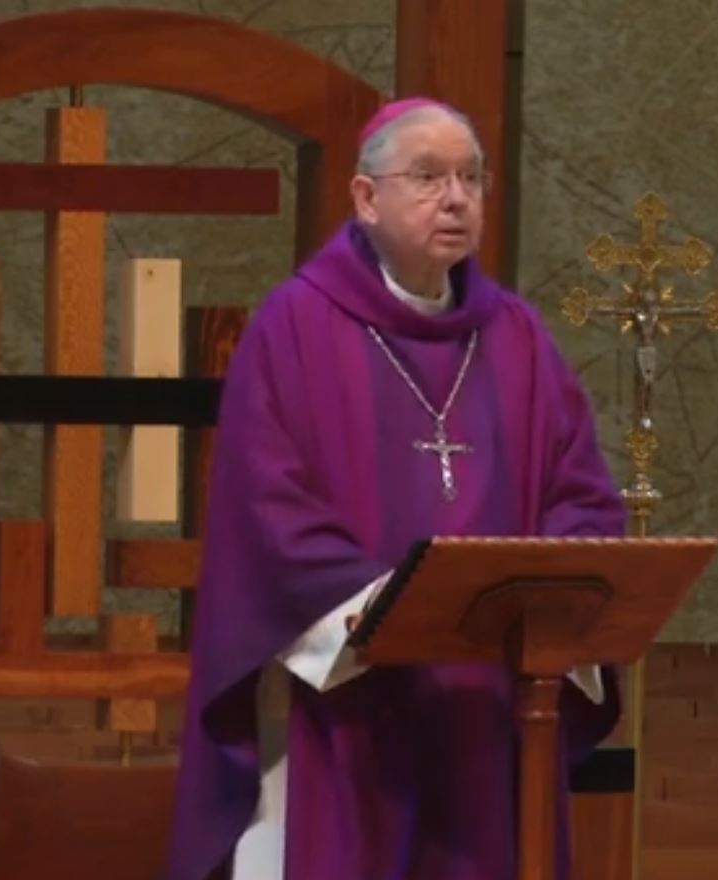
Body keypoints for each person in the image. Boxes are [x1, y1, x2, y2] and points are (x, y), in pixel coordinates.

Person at [165, 97, 625, 880]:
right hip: (348, 689)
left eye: (471, 178)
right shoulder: (294, 327)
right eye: (428, 177)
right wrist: (395, 611)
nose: (456, 198)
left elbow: (579, 491)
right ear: (366, 197)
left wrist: (548, 594)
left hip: (487, 702)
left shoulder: (516, 337)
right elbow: (265, 506)